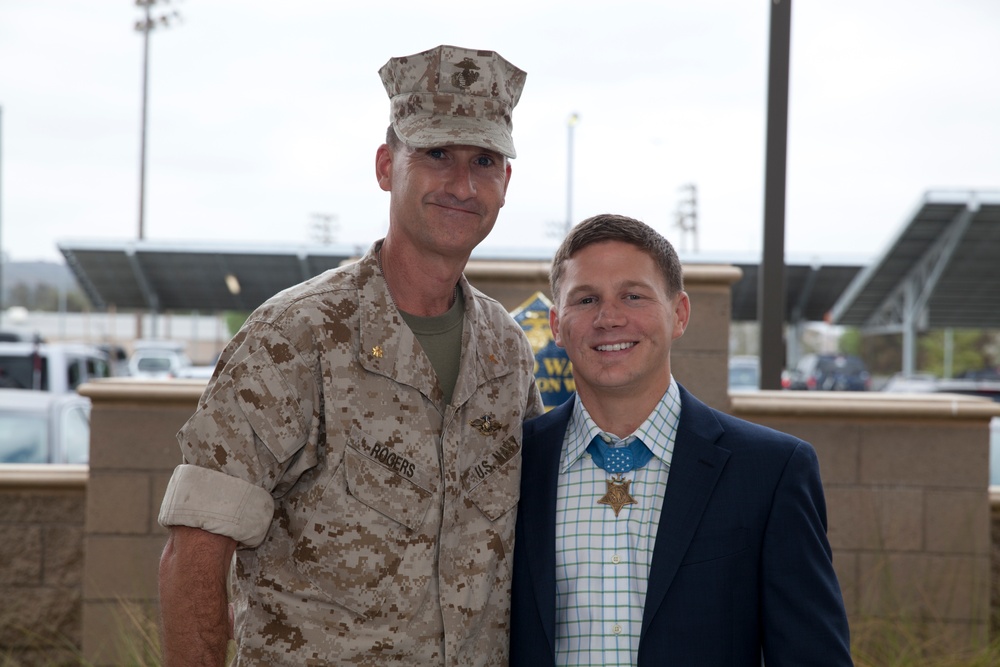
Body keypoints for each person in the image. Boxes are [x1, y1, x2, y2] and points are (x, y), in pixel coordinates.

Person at [157, 44, 544, 666]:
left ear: (506, 182)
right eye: (436, 154)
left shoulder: (506, 353)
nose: (462, 183)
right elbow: (195, 554)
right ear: (387, 165)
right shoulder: (295, 337)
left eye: (485, 161)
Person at [509, 214, 853, 666]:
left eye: (633, 295)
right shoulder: (513, 464)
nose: (608, 317)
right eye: (586, 299)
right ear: (557, 324)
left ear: (680, 314)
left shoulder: (770, 472)